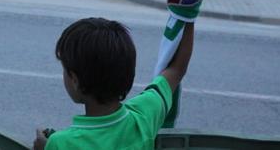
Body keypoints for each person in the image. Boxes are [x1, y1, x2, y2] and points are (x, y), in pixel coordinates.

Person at [33, 17, 196, 150]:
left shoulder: (60, 143)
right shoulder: (143, 116)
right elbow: (176, 69)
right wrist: (188, 13)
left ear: (75, 80)